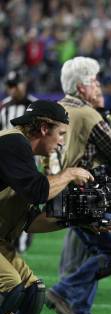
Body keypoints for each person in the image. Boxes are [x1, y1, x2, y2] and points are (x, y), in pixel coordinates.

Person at [0, 100, 93, 314]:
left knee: (30, 293)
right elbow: (39, 191)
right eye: (61, 134)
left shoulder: (20, 154)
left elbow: (31, 221)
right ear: (43, 128)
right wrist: (69, 174)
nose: (61, 141)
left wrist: (75, 220)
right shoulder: (13, 142)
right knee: (11, 287)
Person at [45, 56, 111, 314]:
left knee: (88, 249)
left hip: (60, 188)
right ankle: (63, 291)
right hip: (88, 193)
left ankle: (80, 310)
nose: (98, 86)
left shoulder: (56, 108)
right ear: (81, 87)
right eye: (94, 81)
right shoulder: (88, 114)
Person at [0, 70, 39, 253]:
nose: (13, 90)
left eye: (16, 85)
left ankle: (20, 243)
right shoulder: (3, 107)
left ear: (24, 84)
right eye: (10, 86)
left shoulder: (35, 106)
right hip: (6, 166)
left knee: (25, 203)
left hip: (29, 164)